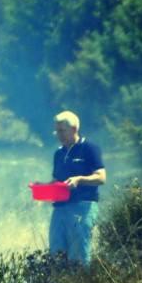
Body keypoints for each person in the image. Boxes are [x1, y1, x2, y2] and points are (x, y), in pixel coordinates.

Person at [50, 110, 106, 265]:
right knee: (56, 253)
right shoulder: (58, 153)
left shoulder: (89, 148)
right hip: (60, 209)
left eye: (62, 131)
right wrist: (43, 190)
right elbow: (56, 180)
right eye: (57, 131)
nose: (58, 135)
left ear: (74, 129)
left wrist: (79, 179)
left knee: (79, 254)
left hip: (83, 207)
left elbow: (101, 177)